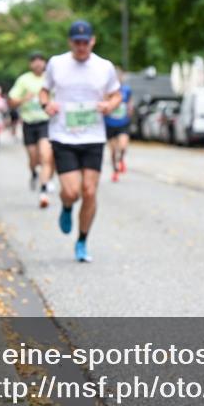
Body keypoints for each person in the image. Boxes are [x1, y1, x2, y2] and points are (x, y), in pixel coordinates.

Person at [39, 20, 121, 262]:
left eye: (86, 42)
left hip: (93, 135)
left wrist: (109, 105)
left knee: (89, 191)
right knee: (72, 192)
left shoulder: (104, 67)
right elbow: (44, 91)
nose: (82, 47)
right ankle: (66, 207)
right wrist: (47, 104)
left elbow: (116, 94)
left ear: (93, 41)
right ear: (70, 42)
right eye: (77, 42)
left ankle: (82, 241)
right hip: (63, 135)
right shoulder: (57, 63)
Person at [9, 52, 54, 207]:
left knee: (45, 155)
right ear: (30, 64)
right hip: (29, 123)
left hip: (46, 122)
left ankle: (43, 191)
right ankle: (34, 173)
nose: (37, 64)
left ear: (45, 63)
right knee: (33, 158)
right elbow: (12, 101)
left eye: (41, 60)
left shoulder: (51, 77)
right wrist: (23, 99)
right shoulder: (24, 80)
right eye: (34, 61)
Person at [104, 68, 133, 182]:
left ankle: (121, 160)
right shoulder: (107, 91)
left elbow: (130, 102)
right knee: (113, 151)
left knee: (123, 146)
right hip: (109, 124)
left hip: (123, 123)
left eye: (120, 76)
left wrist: (130, 109)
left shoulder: (126, 90)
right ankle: (115, 171)